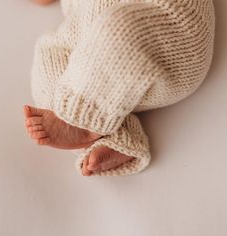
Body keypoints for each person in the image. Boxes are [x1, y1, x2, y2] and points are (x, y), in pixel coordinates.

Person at [24, 0, 215, 176]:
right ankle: (110, 138)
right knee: (48, 58)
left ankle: (80, 121)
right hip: (86, 43)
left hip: (165, 25)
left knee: (120, 29)